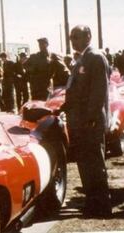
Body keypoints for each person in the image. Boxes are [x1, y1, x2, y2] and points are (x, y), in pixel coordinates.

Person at [62, 25, 112, 218]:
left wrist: (91, 118)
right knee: (85, 164)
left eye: (76, 36)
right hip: (79, 122)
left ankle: (102, 207)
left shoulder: (96, 57)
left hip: (90, 122)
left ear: (88, 37)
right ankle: (92, 203)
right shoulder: (82, 58)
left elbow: (98, 92)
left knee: (95, 164)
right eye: (71, 37)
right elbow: (75, 92)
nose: (72, 40)